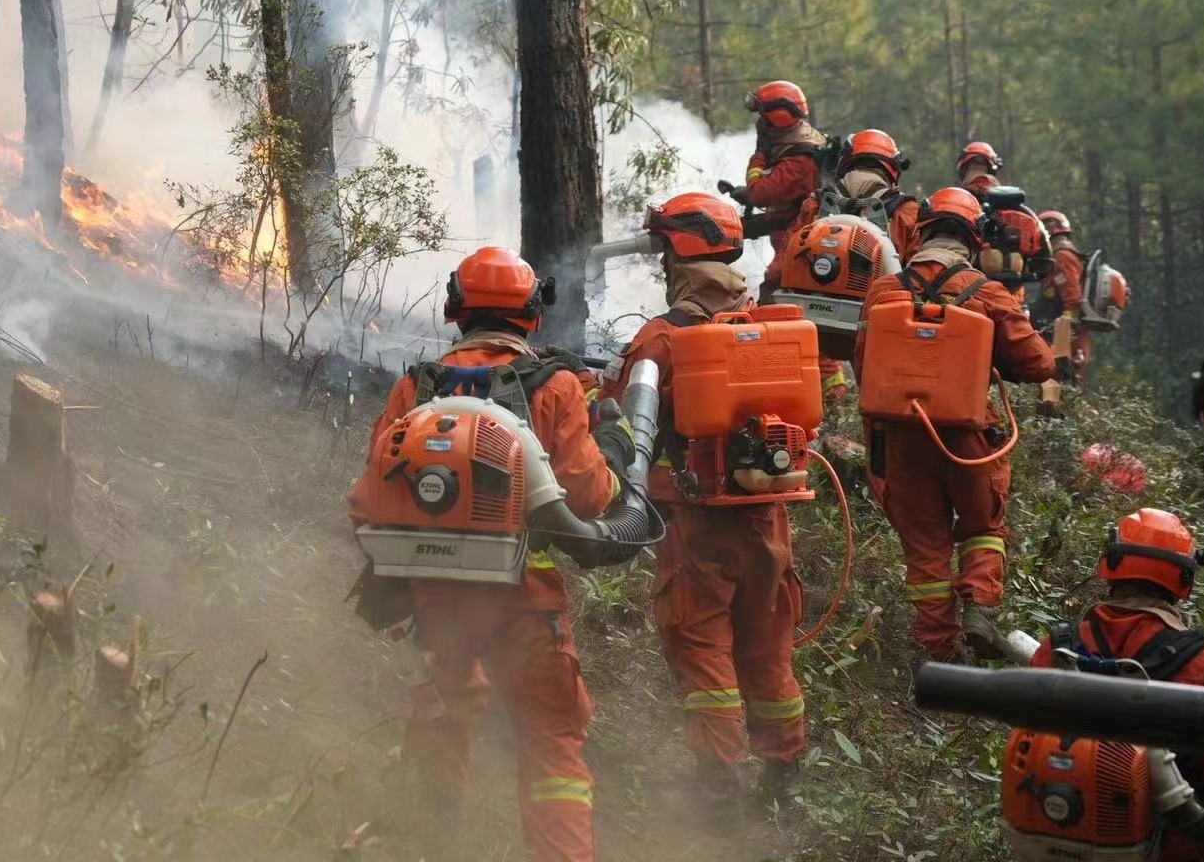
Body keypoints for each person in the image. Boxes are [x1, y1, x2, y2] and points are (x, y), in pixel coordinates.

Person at [351, 246, 634, 862]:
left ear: (455, 309)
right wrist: (615, 449)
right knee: (552, 746)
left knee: (442, 717)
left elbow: (366, 501)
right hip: (526, 607)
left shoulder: (416, 386)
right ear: (533, 313)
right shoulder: (557, 384)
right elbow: (586, 495)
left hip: (438, 603)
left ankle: (430, 844)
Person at [598, 193, 807, 808]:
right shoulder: (772, 325)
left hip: (697, 523)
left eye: (664, 251)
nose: (661, 264)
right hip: (768, 520)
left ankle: (717, 784)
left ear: (680, 253)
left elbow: (620, 419)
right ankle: (783, 774)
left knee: (703, 646)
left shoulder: (665, 338)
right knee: (767, 644)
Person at [852, 187, 1053, 660]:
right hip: (969, 440)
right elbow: (1040, 364)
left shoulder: (883, 290)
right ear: (975, 239)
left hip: (902, 440)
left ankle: (940, 653)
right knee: (984, 526)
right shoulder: (988, 293)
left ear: (920, 231)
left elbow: (864, 366)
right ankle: (980, 610)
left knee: (925, 549)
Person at [1027, 509, 1204, 862]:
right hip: (1167, 844)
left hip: (1058, 825)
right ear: (1184, 577)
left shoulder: (1058, 645)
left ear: (1113, 563)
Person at [722, 81, 843, 396]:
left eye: (762, 115)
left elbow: (764, 191)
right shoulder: (800, 142)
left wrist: (758, 162)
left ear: (778, 117)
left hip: (802, 243)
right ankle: (826, 387)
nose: (759, 123)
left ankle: (804, 385)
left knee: (777, 302)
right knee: (807, 311)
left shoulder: (799, 154)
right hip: (805, 236)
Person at [795, 127, 919, 261]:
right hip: (883, 282)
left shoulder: (815, 203)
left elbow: (786, 258)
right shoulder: (906, 211)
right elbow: (919, 270)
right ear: (894, 167)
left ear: (845, 160)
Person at [1035, 209, 1090, 389]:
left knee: (1061, 384)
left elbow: (1072, 301)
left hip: (1065, 335)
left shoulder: (1062, 256)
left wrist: (1061, 346)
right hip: (1062, 332)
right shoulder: (1058, 255)